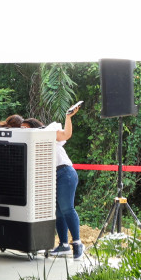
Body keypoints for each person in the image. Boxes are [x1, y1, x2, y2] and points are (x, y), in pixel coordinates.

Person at [48, 105, 83, 260]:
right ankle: (64, 245)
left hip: (64, 172)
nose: (23, 128)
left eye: (25, 126)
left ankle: (77, 243)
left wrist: (68, 117)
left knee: (67, 208)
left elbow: (66, 134)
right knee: (58, 211)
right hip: (51, 176)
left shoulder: (48, 131)